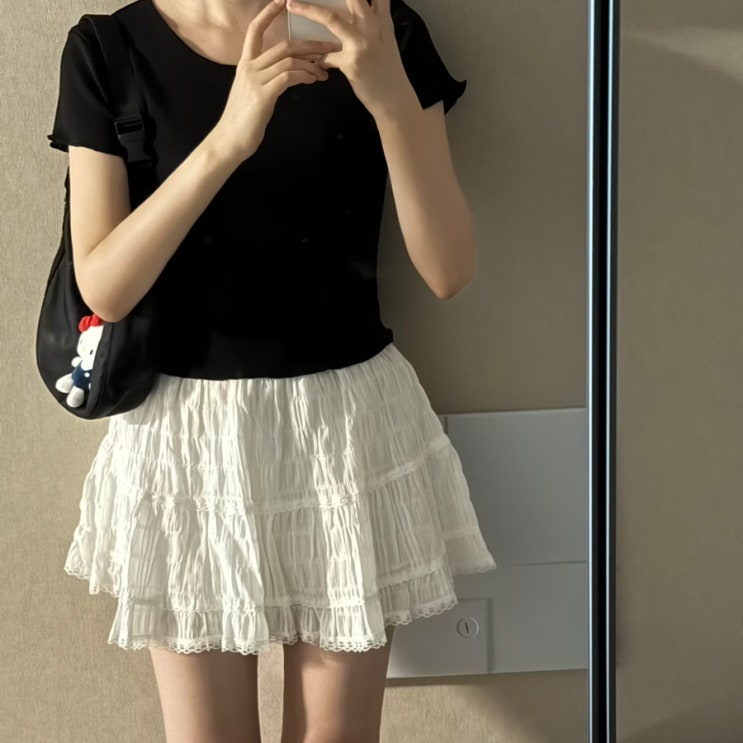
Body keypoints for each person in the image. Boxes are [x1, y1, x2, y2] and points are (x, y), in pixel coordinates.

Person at [48, 0, 496, 740]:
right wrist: (231, 136)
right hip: (188, 440)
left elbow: (448, 269)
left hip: (345, 431)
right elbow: (105, 287)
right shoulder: (109, 49)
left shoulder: (375, 25)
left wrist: (389, 96)